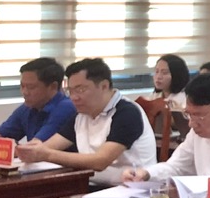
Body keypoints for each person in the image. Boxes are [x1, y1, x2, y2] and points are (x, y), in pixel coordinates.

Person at [17, 57, 155, 185]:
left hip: (130, 189)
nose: (74, 97)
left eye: (81, 90)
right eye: (70, 91)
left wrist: (46, 154)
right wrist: (30, 150)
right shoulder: (82, 114)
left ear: (104, 86)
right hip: (91, 185)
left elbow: (100, 161)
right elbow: (49, 147)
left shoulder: (127, 113)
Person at [0, 57, 76, 145]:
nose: (24, 92)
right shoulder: (27, 108)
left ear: (53, 86)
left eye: (31, 87)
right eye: (22, 86)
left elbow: (36, 148)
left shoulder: (66, 108)